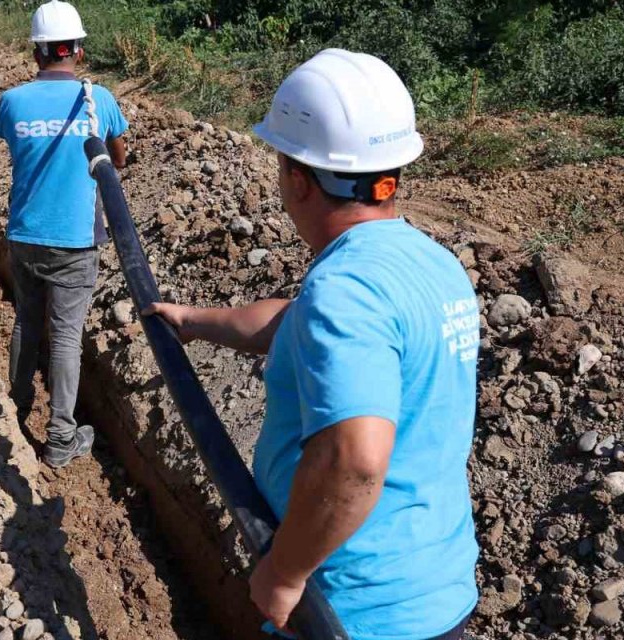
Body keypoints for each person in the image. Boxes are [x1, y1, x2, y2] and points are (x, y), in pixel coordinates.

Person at [146, 49, 479, 640]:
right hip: (437, 587)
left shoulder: (346, 291)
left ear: (299, 181)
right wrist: (193, 321)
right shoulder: (431, 264)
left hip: (353, 612)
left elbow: (354, 462)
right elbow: (292, 325)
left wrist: (284, 569)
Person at [0, 0, 128, 468]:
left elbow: (17, 146)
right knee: (67, 338)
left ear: (37, 54)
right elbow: (117, 160)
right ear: (79, 53)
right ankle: (60, 439)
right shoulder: (99, 101)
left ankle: (17, 405)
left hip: (26, 233)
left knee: (27, 321)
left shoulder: (12, 102)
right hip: (75, 239)